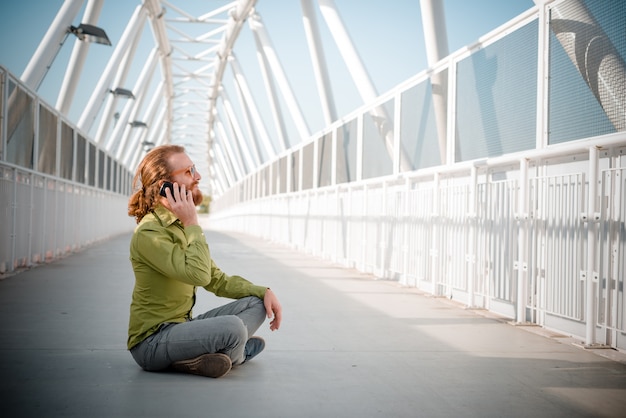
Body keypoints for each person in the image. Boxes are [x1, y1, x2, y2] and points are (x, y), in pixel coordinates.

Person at [126, 144, 282, 378]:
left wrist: (263, 291)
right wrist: (192, 224)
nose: (197, 176)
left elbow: (215, 280)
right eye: (189, 171)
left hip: (182, 328)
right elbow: (198, 275)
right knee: (233, 328)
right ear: (164, 185)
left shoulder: (179, 224)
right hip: (152, 343)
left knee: (257, 303)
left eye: (195, 169)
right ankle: (237, 355)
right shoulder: (149, 233)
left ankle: (210, 354)